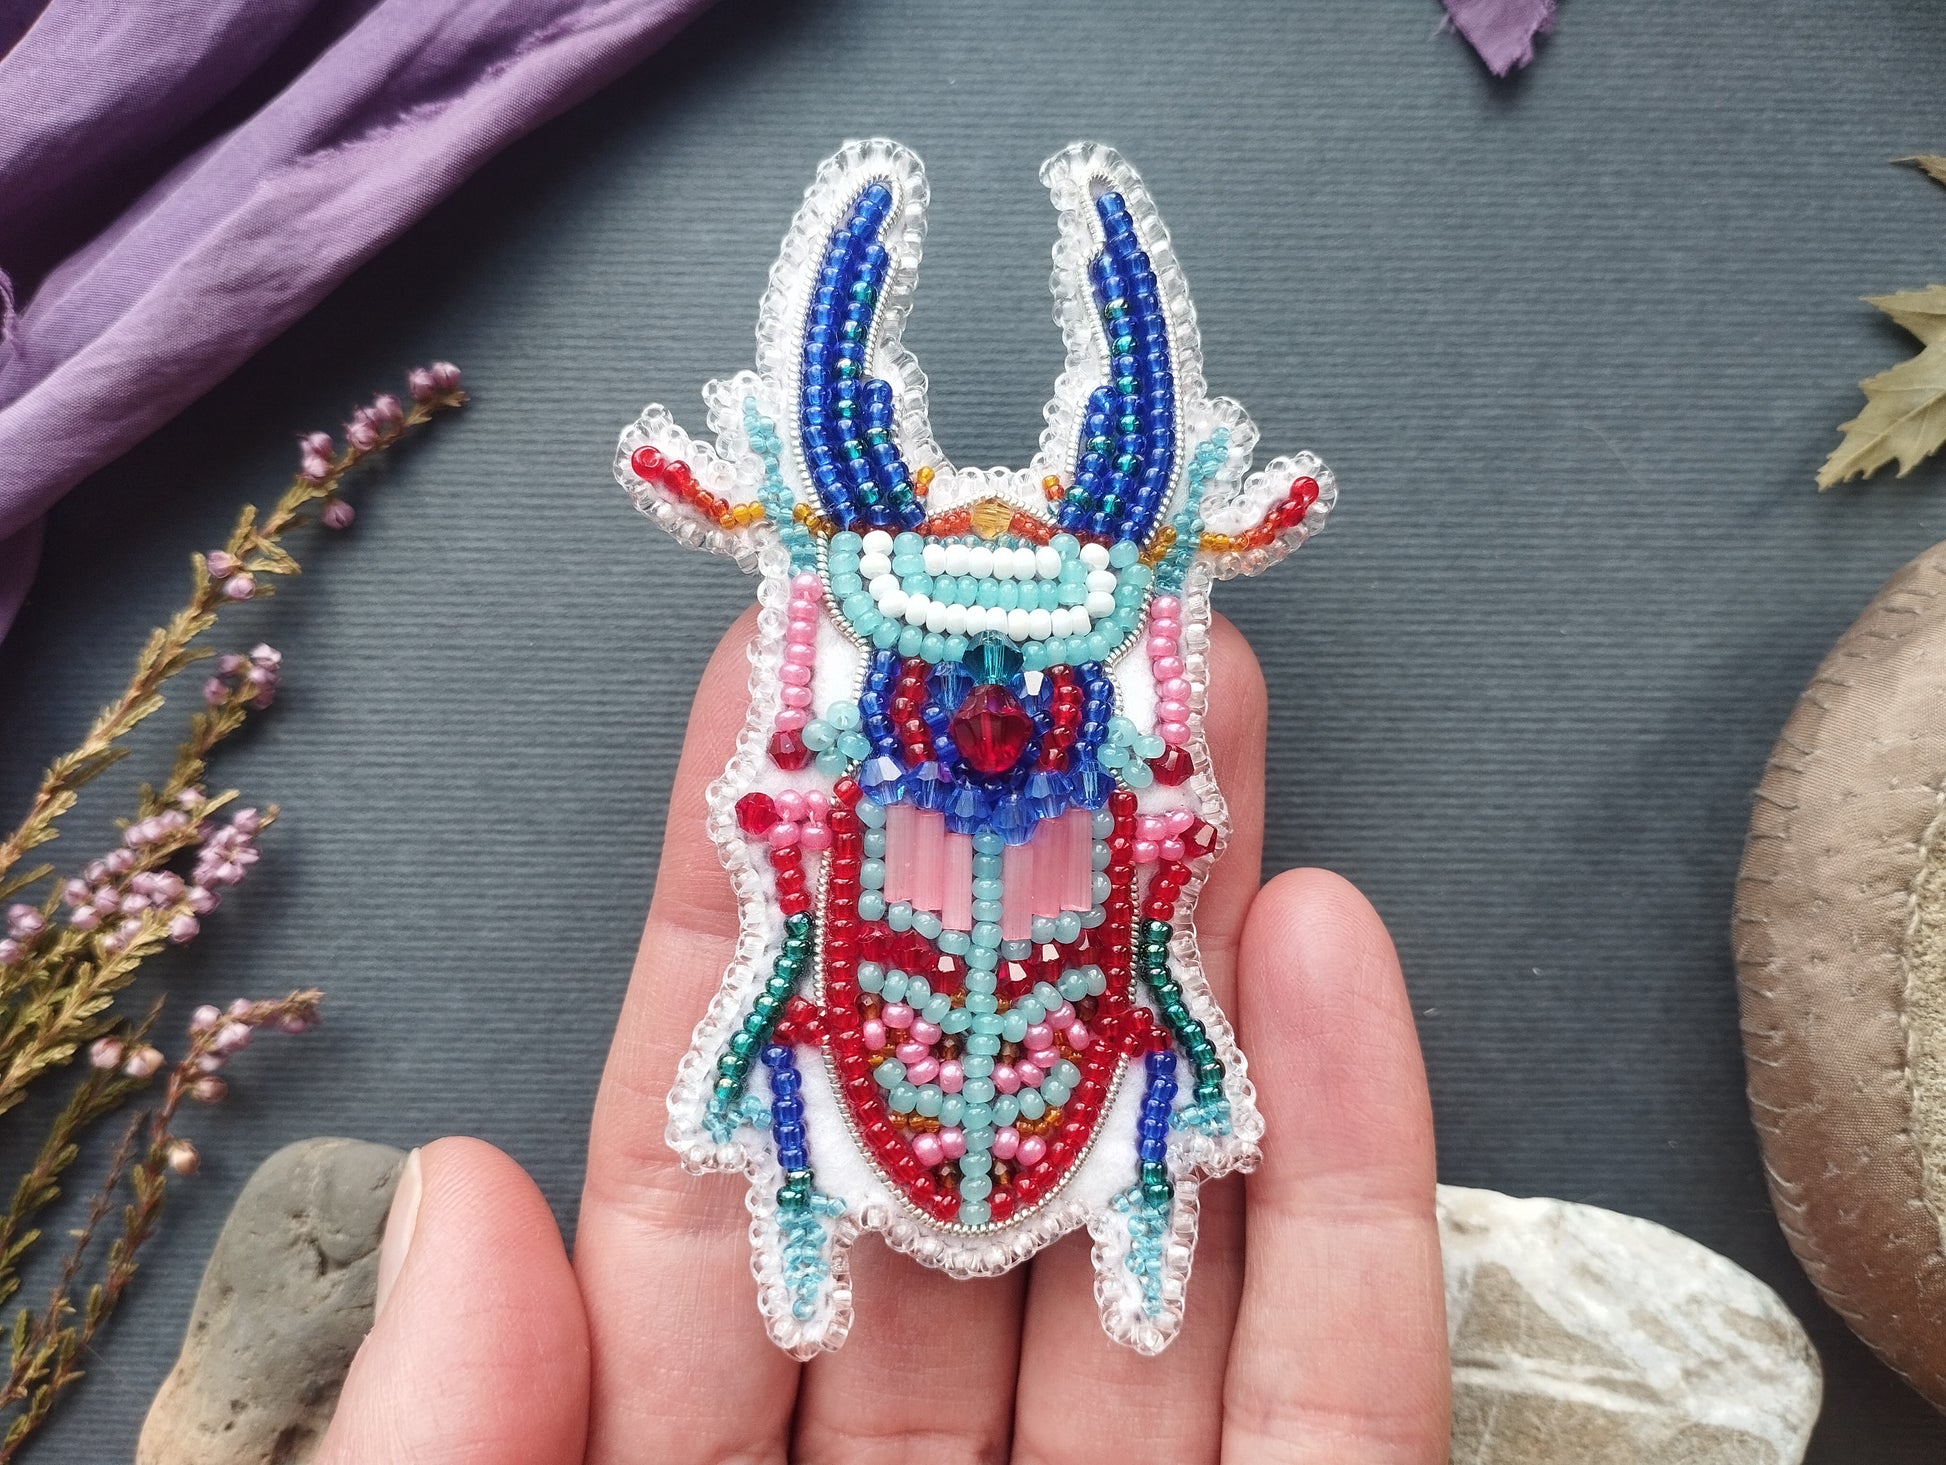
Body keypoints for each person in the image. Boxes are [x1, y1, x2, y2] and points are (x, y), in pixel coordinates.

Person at [311, 613, 1450, 1463]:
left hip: (999, 1079)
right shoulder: (1009, 783)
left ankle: (1114, 1224)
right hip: (935, 1076)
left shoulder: (901, 771)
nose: (989, 706)